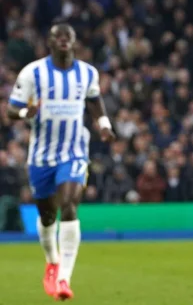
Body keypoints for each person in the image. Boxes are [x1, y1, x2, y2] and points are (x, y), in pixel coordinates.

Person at [5, 23, 115, 300]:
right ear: (50, 42)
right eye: (58, 37)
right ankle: (52, 262)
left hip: (74, 150)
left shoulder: (87, 72)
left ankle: (64, 278)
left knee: (69, 206)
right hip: (42, 154)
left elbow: (94, 100)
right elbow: (10, 111)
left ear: (74, 42)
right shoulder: (33, 73)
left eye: (69, 37)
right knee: (47, 215)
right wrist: (25, 114)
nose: (64, 40)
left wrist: (103, 124)